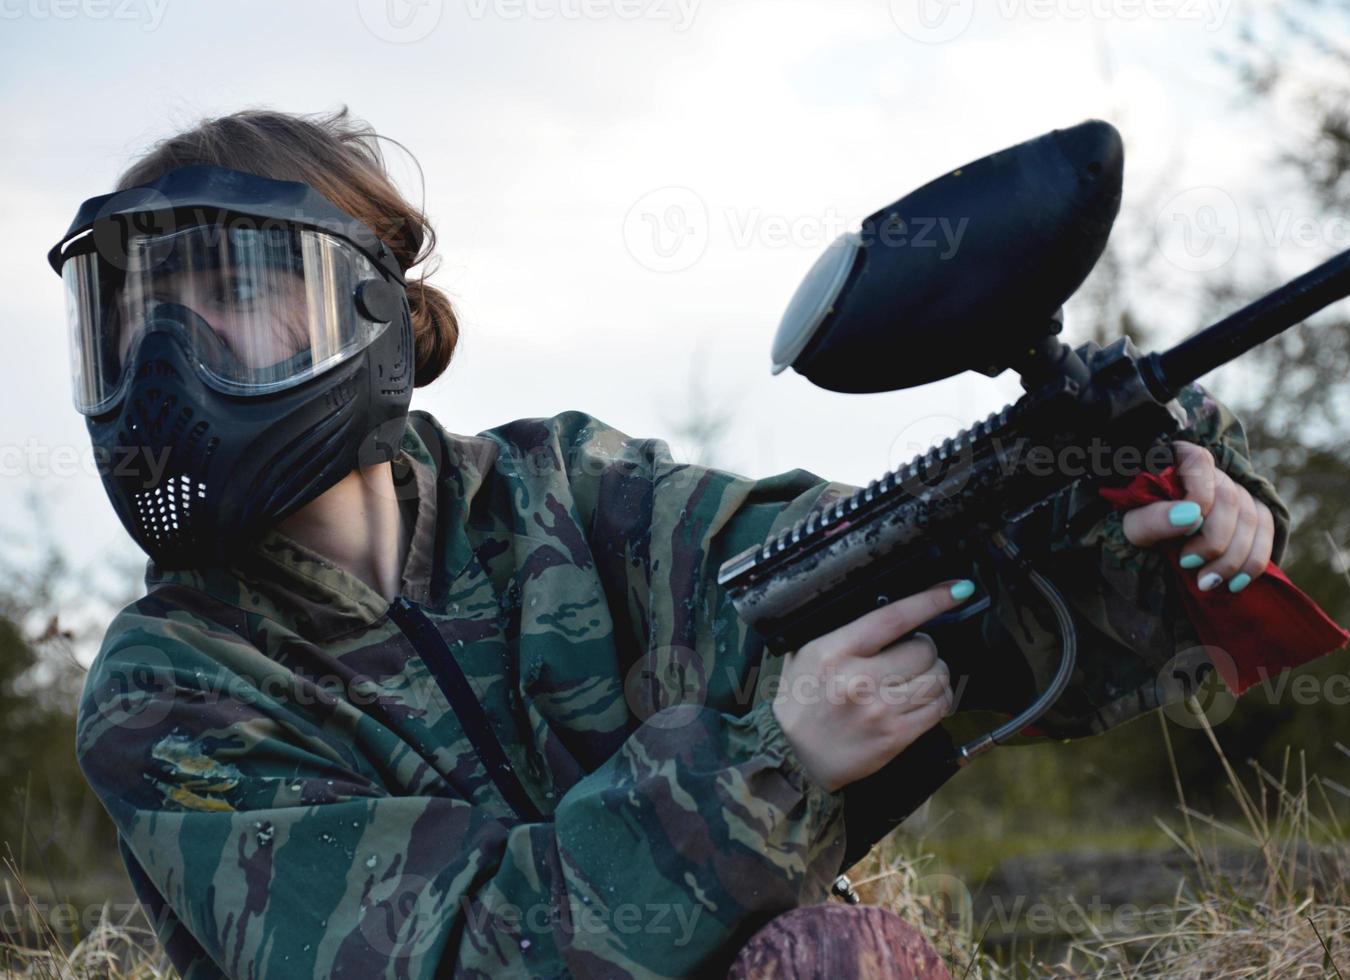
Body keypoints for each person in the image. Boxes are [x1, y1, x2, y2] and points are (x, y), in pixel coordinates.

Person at [60, 108, 1288, 979]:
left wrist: (1136, 507)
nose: (176, 358)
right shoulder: (173, 685)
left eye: (229, 293)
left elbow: (863, 570)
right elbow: (445, 953)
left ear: (368, 307)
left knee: (828, 957)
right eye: (142, 315)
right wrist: (776, 762)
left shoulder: (560, 493)